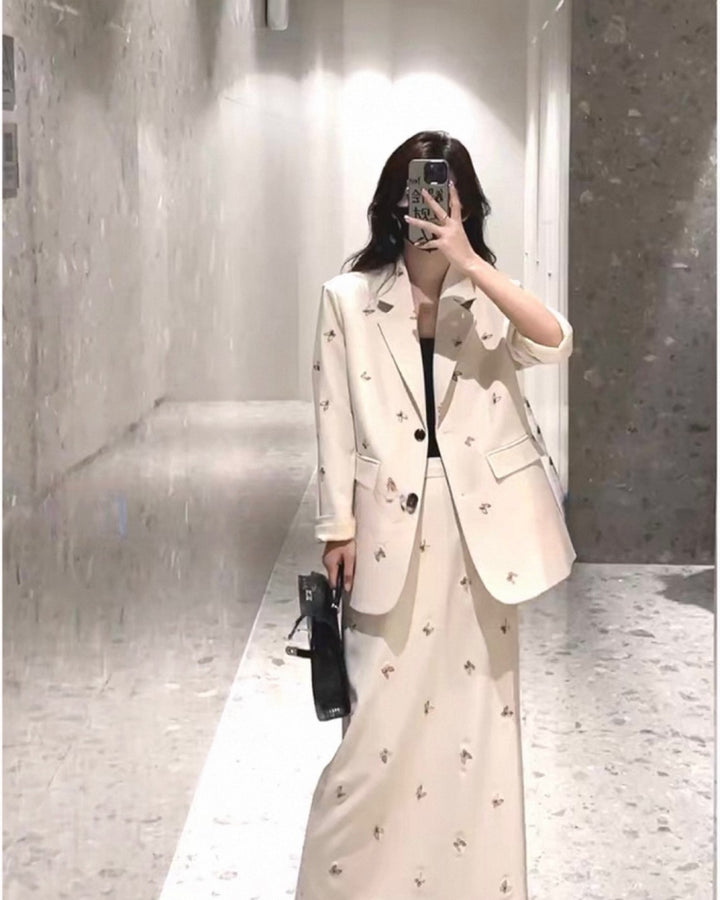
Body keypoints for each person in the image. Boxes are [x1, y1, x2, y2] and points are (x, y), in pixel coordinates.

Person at [294, 130, 575, 899]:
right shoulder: (347, 298)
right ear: (394, 204)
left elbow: (555, 343)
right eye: (417, 196)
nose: (429, 211)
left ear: (466, 205)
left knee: (476, 723)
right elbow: (332, 418)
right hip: (388, 532)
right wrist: (336, 528)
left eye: (445, 198)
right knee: (373, 735)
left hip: (482, 538)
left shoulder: (487, 295)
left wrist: (470, 262)